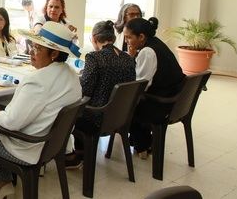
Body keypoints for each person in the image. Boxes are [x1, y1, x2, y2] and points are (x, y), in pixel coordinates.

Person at [0, 21, 82, 197]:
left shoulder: (38, 81)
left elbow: (11, 122)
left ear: (54, 53)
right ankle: (3, 181)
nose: (31, 52)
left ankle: (0, 180)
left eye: (37, 49)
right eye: (32, 46)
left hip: (26, 147)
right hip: (52, 144)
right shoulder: (71, 76)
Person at [68, 20, 136, 166]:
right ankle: (80, 154)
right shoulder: (129, 59)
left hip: (97, 118)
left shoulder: (94, 58)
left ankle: (78, 155)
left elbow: (84, 90)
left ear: (94, 38)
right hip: (121, 117)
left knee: (69, 113)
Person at [124, 17, 185, 159]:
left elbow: (139, 85)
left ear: (141, 37)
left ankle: (143, 145)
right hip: (175, 101)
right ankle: (142, 142)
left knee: (126, 107)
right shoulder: (157, 44)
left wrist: (130, 60)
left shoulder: (147, 52)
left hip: (162, 105)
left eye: (129, 37)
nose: (126, 41)